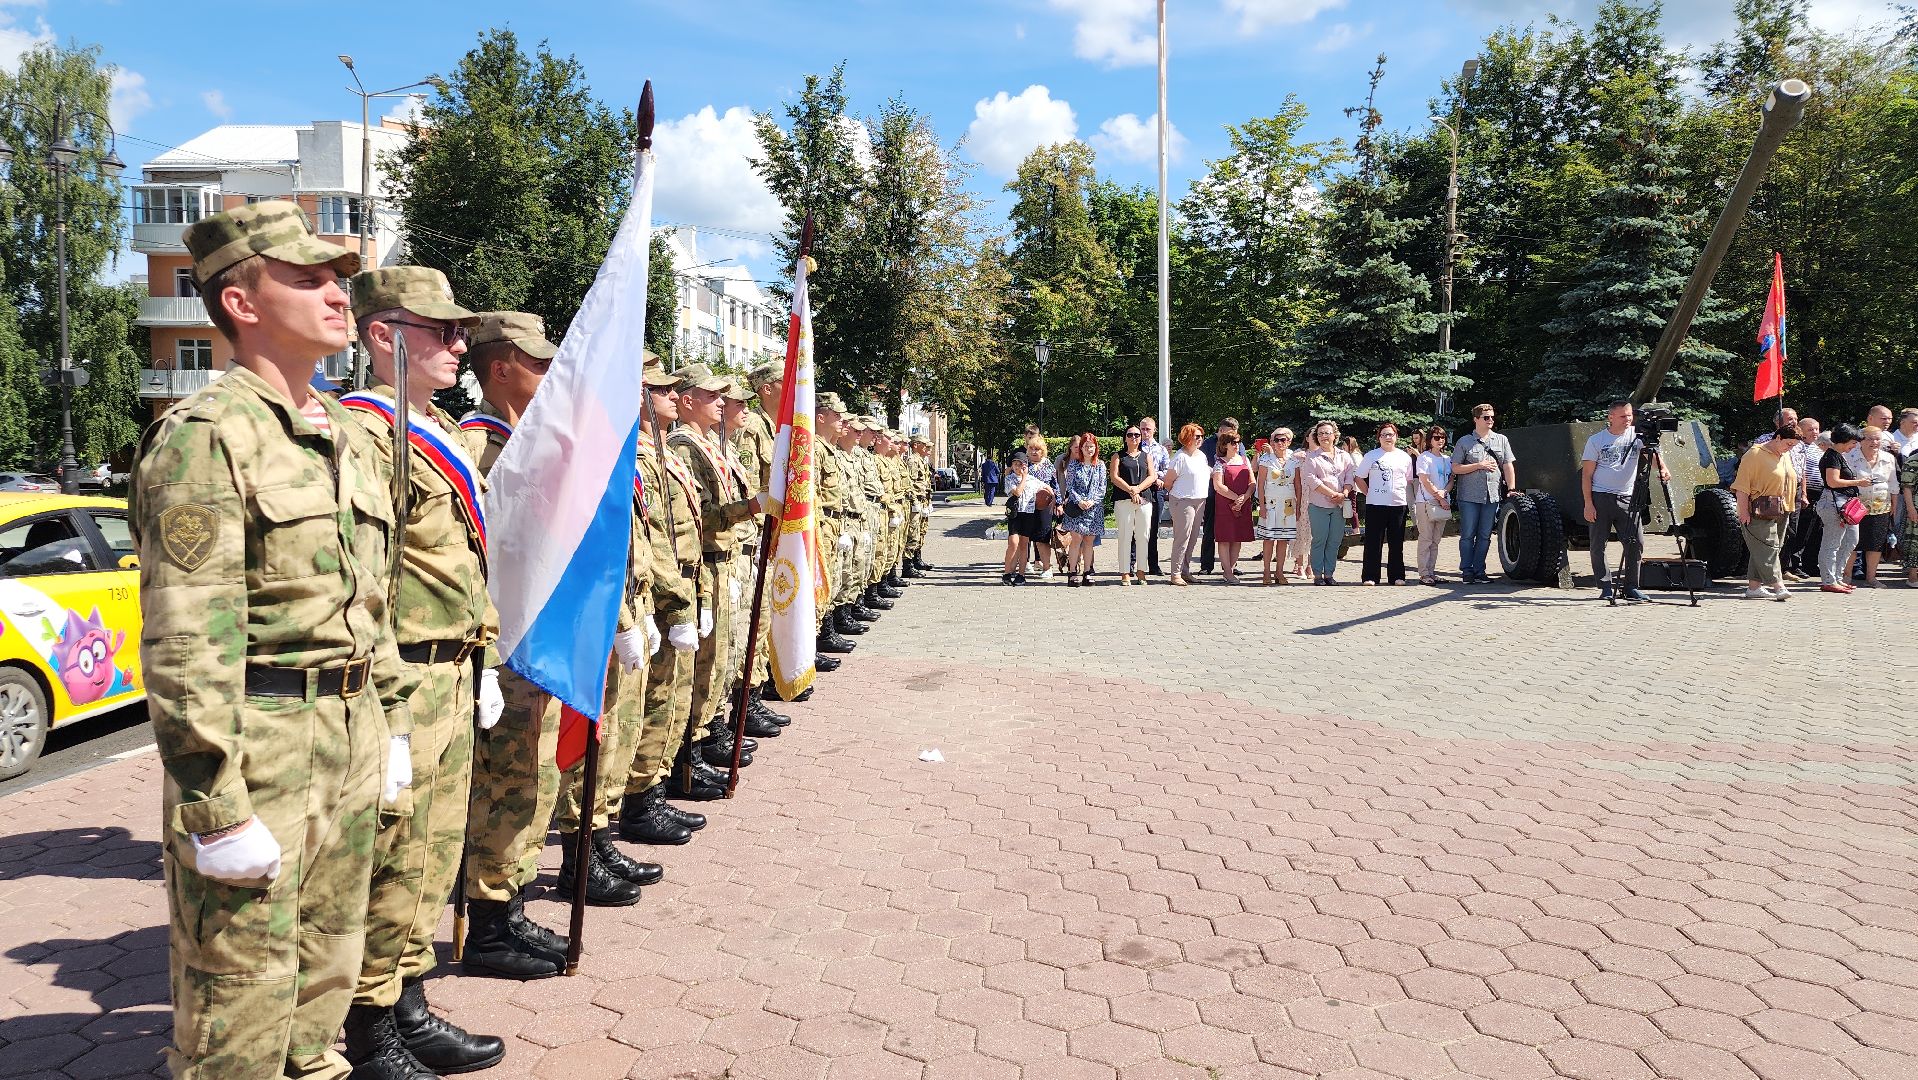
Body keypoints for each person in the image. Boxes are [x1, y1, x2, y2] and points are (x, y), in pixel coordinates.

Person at [131, 200, 417, 1079]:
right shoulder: (207, 438)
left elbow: (374, 599)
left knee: (321, 990)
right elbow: (188, 642)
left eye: (337, 278)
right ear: (242, 304)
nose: (338, 295)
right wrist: (214, 806)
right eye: (307, 277)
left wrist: (392, 721)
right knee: (240, 1014)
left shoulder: (346, 437)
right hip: (263, 745)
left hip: (350, 733)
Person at [338, 269, 511, 1075]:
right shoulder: (368, 436)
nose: (456, 345)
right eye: (439, 331)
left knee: (432, 855)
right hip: (401, 676)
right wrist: (390, 712)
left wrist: (482, 655)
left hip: (451, 666)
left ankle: (408, 1003)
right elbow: (363, 583)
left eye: (458, 332)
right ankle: (371, 1033)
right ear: (383, 337)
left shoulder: (431, 427)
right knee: (390, 857)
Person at [454, 312, 576, 980]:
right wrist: (479, 657)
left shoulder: (527, 440)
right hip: (500, 650)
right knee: (501, 788)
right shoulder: (473, 444)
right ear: (500, 367)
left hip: (535, 644)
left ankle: (512, 905)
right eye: (538, 361)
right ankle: (489, 925)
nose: (551, 371)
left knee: (532, 780)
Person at [1580, 400, 1667, 603]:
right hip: (1601, 497)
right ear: (1610, 417)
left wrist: (1662, 468)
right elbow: (1587, 475)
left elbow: (1652, 455)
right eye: (1623, 416)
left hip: (1628, 498)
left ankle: (1631, 587)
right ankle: (1605, 587)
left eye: (1629, 415)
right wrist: (1588, 503)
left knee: (1635, 542)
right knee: (1598, 544)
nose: (1628, 420)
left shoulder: (1637, 436)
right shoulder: (1596, 440)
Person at [1733, 426, 1800, 600]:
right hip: (1759, 509)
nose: (1790, 448)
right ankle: (1778, 586)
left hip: (1782, 508)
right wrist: (1743, 511)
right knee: (1768, 548)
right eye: (1788, 443)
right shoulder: (1754, 455)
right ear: (1777, 438)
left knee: (1767, 549)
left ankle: (1754, 588)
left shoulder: (1784, 455)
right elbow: (1741, 487)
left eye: (1793, 445)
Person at [1451, 403, 1516, 584]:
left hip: (1492, 495)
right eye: (1486, 417)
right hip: (1469, 496)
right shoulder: (1464, 441)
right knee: (1468, 534)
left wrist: (1511, 488)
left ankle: (1479, 570)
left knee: (1485, 535)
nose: (1490, 420)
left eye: (1492, 417)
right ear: (1476, 419)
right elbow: (1455, 468)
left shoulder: (1501, 439)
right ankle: (1467, 570)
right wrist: (1479, 465)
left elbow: (1508, 465)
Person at [1355, 423, 1414, 586]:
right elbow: (1359, 477)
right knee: (1373, 542)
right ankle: (1370, 576)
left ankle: (1397, 576)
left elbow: (1408, 480)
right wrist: (1369, 492)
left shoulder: (1404, 457)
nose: (1388, 437)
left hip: (1398, 505)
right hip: (1375, 504)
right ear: (1379, 438)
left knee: (1397, 543)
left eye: (1391, 434)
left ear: (1396, 437)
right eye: (1384, 435)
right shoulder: (1371, 456)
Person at [1816, 423, 1872, 594]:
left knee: (1850, 540)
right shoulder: (1832, 456)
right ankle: (1829, 580)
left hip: (1843, 504)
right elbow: (1833, 482)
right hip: (1833, 503)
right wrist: (1859, 482)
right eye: (1853, 442)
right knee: (1832, 543)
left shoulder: (1838, 455)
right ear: (1844, 440)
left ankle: (1837, 577)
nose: (1854, 446)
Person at [1300, 421, 1354, 585]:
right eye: (1321, 433)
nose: (1324, 436)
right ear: (1317, 437)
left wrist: (1343, 493)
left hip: (1339, 505)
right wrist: (1332, 494)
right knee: (1319, 540)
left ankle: (1329, 574)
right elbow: (1311, 480)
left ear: (1334, 435)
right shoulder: (1312, 457)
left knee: (1334, 541)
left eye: (1327, 433)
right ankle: (1317, 575)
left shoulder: (1344, 456)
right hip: (1318, 505)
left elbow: (1350, 476)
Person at [1162, 423, 1211, 586]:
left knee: (1193, 538)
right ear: (1187, 438)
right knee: (1182, 538)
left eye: (1201, 436)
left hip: (1200, 501)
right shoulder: (1180, 457)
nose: (1200, 439)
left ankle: (1185, 571)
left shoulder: (1201, 456)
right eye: (1196, 436)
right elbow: (1168, 482)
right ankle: (1175, 574)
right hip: (1183, 501)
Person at [1057, 433, 1107, 586]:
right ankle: (1072, 572)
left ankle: (1087, 572)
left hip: (1093, 509)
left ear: (1095, 448)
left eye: (1091, 446)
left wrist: (1092, 501)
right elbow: (1070, 487)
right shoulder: (1073, 465)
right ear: (1081, 448)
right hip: (1077, 507)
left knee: (1089, 540)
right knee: (1076, 539)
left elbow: (1102, 488)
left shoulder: (1100, 465)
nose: (1089, 449)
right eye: (1086, 446)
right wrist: (1079, 501)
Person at [1110, 425, 1157, 585]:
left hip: (1144, 500)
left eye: (1137, 434)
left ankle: (1141, 571)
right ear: (1125, 438)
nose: (1134, 437)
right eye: (1130, 435)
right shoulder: (1118, 456)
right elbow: (1114, 477)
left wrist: (1137, 489)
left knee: (1143, 536)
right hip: (1124, 499)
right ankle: (1125, 572)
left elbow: (1152, 476)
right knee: (1125, 536)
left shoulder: (1146, 456)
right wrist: (1131, 490)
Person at [1853, 425, 1898, 588]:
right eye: (1870, 438)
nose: (1874, 442)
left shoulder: (1889, 458)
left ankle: (1871, 578)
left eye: (1878, 439)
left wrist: (1894, 505)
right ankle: (1845, 576)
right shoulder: (1850, 456)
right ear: (1860, 441)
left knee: (1876, 543)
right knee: (1853, 542)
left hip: (1881, 506)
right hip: (1855, 506)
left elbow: (1893, 483)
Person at [1209, 431, 1254, 583]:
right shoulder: (1219, 462)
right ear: (1225, 445)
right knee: (1225, 538)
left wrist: (1244, 497)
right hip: (1225, 505)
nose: (1237, 445)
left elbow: (1252, 482)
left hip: (1242, 504)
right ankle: (1227, 572)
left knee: (1237, 538)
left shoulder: (1244, 459)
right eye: (1233, 442)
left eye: (1238, 442)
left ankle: (1232, 569)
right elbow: (1218, 486)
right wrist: (1236, 498)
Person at [1782, 417, 1824, 581]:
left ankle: (1810, 564)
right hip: (1801, 492)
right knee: (1798, 530)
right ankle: (1794, 564)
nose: (1815, 432)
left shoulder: (1816, 448)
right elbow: (1801, 472)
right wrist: (1804, 494)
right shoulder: (1797, 447)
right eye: (1810, 429)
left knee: (1814, 532)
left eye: (1817, 429)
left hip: (1817, 493)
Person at [1254, 428, 1297, 586]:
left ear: (1289, 442)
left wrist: (1298, 507)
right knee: (1268, 539)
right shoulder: (1266, 459)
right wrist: (1262, 505)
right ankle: (1266, 571)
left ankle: (1279, 571)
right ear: (1272, 442)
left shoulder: (1294, 458)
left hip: (1288, 503)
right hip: (1271, 502)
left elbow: (1297, 483)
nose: (1280, 443)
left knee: (1283, 539)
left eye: (1283, 440)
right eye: (1277, 440)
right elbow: (1261, 483)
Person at [1001, 451, 1051, 584]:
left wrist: (1052, 499)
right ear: (1012, 466)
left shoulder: (1033, 480)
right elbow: (1017, 492)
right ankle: (1007, 572)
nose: (1018, 467)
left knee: (1024, 545)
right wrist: (1024, 477)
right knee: (1013, 543)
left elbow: (1047, 487)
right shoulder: (1009, 478)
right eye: (1015, 464)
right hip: (1015, 515)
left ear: (1026, 465)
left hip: (1028, 515)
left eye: (1021, 465)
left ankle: (1021, 574)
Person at [1198, 417, 1239, 575]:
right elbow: (1204, 466)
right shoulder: (1207, 444)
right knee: (1210, 529)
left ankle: (1229, 565)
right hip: (1212, 492)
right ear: (1221, 430)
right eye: (1229, 434)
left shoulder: (1237, 443)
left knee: (1232, 530)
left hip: (1232, 494)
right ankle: (1206, 565)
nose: (1233, 440)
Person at [1413, 425, 1453, 586]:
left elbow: (1451, 479)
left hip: (1442, 501)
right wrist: (1439, 496)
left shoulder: (1447, 459)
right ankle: (1423, 574)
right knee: (1426, 538)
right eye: (1436, 437)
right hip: (1426, 502)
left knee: (1436, 540)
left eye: (1442, 437)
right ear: (1430, 440)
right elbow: (1424, 479)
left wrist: (1445, 493)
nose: (1440, 440)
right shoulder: (1424, 457)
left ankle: (1432, 572)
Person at [1138, 416, 1170, 575]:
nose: (1145, 432)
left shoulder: (1161, 449)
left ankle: (1154, 565)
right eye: (1142, 429)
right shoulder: (1136, 446)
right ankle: (1134, 565)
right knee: (1138, 529)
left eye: (1148, 429)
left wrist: (1156, 477)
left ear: (1154, 430)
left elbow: (1167, 470)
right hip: (1141, 491)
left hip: (1156, 491)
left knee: (1153, 529)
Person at [1902, 435, 1918, 587]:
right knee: (1915, 542)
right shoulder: (1914, 460)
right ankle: (1913, 577)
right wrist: (1910, 508)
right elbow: (1907, 487)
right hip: (1917, 507)